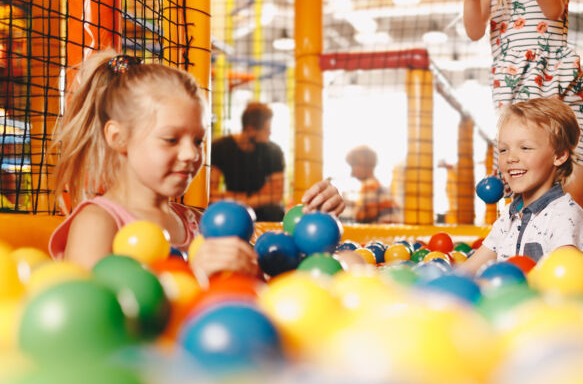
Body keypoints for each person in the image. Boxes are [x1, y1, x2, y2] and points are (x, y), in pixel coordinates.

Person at [48, 51, 344, 276]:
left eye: (198, 140)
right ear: (118, 137)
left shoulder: (197, 221)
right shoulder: (98, 222)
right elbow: (91, 319)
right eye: (171, 139)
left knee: (352, 260)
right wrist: (194, 276)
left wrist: (313, 224)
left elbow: (272, 268)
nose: (192, 154)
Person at [454, 0, 583, 252]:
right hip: (518, 92)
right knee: (521, 189)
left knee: (575, 186)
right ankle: (524, 258)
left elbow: (553, 6)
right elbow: (474, 28)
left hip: (558, 88)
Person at [459, 98, 583, 275]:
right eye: (503, 150)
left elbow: (567, 278)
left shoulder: (564, 216)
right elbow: (468, 270)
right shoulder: (509, 217)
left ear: (559, 155)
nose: (510, 158)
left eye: (525, 148)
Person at [210, 102, 285, 222]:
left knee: (275, 210)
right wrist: (255, 196)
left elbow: (276, 195)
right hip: (232, 207)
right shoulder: (220, 147)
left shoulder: (273, 151)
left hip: (259, 208)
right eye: (266, 131)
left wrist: (245, 201)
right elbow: (210, 193)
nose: (269, 134)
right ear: (250, 130)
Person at [344, 145, 401, 223]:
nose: (352, 173)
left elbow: (371, 212)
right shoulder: (375, 184)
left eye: (353, 167)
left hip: (385, 229)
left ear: (364, 165)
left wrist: (357, 215)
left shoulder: (370, 185)